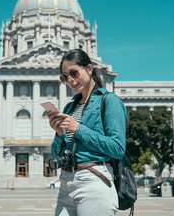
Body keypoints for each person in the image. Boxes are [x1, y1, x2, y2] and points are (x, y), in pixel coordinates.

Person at [48, 49, 126, 216]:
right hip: (66, 182)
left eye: (74, 73)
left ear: (89, 69)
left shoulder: (109, 100)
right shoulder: (70, 107)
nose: (70, 80)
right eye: (64, 77)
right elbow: (56, 154)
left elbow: (118, 148)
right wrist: (59, 133)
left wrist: (78, 129)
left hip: (94, 178)